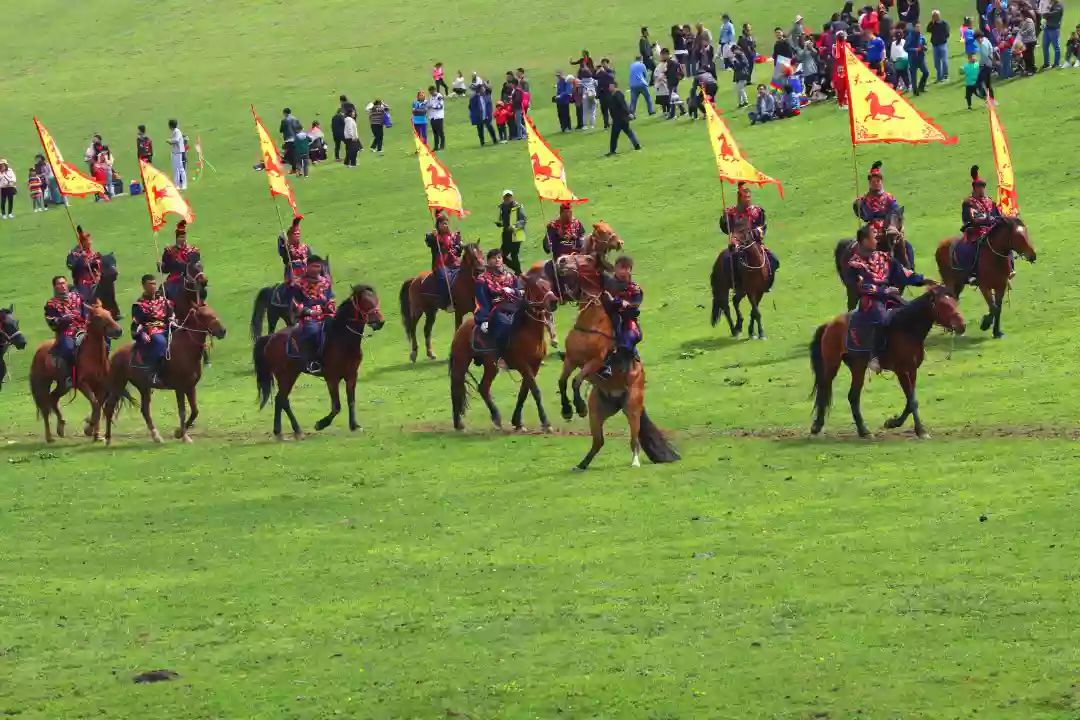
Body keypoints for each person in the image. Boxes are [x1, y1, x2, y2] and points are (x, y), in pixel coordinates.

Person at [845, 224, 927, 372]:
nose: (877, 238)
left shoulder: (884, 257)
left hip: (889, 296)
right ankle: (874, 356)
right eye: (873, 236)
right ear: (864, 241)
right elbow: (861, 287)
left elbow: (903, 273)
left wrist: (923, 280)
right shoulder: (854, 264)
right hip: (871, 300)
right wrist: (885, 291)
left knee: (909, 312)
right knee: (882, 318)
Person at [719, 183, 780, 290]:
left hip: (755, 244)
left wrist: (754, 233)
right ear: (739, 195)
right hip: (739, 245)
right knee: (727, 262)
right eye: (745, 193)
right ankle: (735, 285)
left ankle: (767, 283)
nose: (747, 195)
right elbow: (726, 229)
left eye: (748, 193)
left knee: (774, 260)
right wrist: (724, 218)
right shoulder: (732, 212)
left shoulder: (757, 211)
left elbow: (763, 227)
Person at [597, 256, 643, 378]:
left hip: (626, 318)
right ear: (615, 269)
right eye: (620, 268)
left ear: (630, 270)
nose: (623, 271)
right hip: (606, 314)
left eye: (626, 268)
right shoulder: (607, 281)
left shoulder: (634, 288)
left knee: (629, 335)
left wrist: (617, 301)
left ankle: (625, 358)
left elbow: (635, 305)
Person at [288, 255, 335, 374]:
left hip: (326, 314)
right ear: (307, 267)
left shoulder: (326, 282)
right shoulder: (298, 284)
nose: (317, 269)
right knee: (312, 331)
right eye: (314, 266)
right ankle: (313, 361)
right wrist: (310, 311)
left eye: (319, 266)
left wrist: (329, 306)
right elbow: (295, 304)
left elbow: (330, 298)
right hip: (308, 316)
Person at [474, 248, 524, 359]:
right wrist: (484, 320)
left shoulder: (511, 277)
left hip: (515, 308)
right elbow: (481, 301)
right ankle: (501, 356)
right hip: (496, 311)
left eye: (499, 257)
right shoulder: (482, 280)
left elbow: (522, 291)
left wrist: (512, 291)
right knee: (504, 324)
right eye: (493, 258)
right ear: (488, 262)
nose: (496, 260)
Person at [960, 165, 1004, 283]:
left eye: (983, 187)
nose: (982, 189)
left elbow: (997, 215)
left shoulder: (989, 201)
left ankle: (1008, 268)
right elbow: (974, 219)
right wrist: (989, 219)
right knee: (972, 248)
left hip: (991, 230)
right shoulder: (969, 202)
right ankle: (971, 273)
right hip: (975, 231)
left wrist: (1002, 219)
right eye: (980, 187)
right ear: (974, 188)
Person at [44, 275, 88, 385]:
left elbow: (85, 312)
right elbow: (51, 322)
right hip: (66, 333)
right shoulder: (51, 304)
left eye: (63, 283)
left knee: (103, 342)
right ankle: (70, 377)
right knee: (69, 349)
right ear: (55, 287)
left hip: (83, 329)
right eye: (59, 284)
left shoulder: (77, 297)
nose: (62, 286)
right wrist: (63, 320)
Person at [130, 274, 173, 386]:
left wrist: (172, 318)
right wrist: (142, 334)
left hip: (166, 327)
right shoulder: (139, 305)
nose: (153, 286)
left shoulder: (163, 301)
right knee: (160, 342)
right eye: (150, 284)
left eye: (154, 284)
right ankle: (153, 373)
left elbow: (171, 315)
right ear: (144, 286)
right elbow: (136, 324)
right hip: (151, 329)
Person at [853, 162, 902, 245]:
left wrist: (892, 225)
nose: (876, 183)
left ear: (881, 181)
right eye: (873, 181)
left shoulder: (888, 197)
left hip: (887, 227)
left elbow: (896, 212)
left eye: (878, 181)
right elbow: (865, 216)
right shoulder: (865, 199)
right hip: (871, 230)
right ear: (869, 183)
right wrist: (857, 205)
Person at [543, 202, 586, 294]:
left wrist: (576, 238)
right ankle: (563, 291)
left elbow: (582, 236)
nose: (568, 215)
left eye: (570, 213)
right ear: (561, 213)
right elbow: (547, 241)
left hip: (575, 254)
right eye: (566, 213)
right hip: (560, 255)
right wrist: (548, 245)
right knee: (562, 268)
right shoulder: (553, 226)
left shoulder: (577, 223)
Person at [425, 213, 464, 307]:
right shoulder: (434, 236)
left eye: (446, 223)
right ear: (438, 225)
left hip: (454, 262)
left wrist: (460, 246)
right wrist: (433, 236)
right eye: (442, 223)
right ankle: (444, 301)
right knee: (444, 279)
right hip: (440, 264)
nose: (444, 225)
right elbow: (429, 242)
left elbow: (458, 252)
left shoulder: (454, 236)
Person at [159, 220, 199, 301]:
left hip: (189, 278)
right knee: (165, 291)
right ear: (176, 238)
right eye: (181, 237)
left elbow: (196, 266)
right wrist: (160, 266)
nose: (183, 239)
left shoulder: (193, 251)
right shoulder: (169, 251)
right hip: (175, 278)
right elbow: (166, 269)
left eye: (184, 237)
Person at [66, 226, 102, 303]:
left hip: (95, 283)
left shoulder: (95, 254)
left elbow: (99, 265)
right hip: (82, 284)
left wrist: (92, 263)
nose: (90, 242)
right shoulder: (74, 253)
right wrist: (81, 259)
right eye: (88, 240)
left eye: (90, 240)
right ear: (83, 242)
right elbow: (70, 265)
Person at [605, 80, 640, 155]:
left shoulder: (618, 94)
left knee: (614, 136)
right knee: (628, 132)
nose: (609, 87)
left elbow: (623, 105)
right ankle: (636, 145)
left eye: (610, 86)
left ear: (614, 86)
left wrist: (629, 113)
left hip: (620, 118)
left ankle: (612, 151)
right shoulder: (614, 94)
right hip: (619, 118)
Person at [495, 190, 527, 273]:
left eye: (509, 196)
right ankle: (518, 271)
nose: (507, 198)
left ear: (512, 197)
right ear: (503, 197)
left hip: (517, 234)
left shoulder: (518, 206)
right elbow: (502, 220)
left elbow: (523, 220)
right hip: (506, 235)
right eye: (506, 196)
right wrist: (500, 223)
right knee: (501, 255)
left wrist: (515, 226)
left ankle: (518, 273)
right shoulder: (501, 207)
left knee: (514, 255)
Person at [278, 215, 313, 284]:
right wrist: (283, 238)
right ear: (290, 236)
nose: (297, 235)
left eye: (298, 233)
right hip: (292, 278)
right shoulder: (287, 249)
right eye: (295, 234)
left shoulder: (305, 247)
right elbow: (281, 251)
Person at [906, 22, 930, 94]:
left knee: (926, 72)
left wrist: (925, 47)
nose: (918, 28)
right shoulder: (909, 37)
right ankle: (915, 91)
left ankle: (921, 87)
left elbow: (925, 46)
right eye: (917, 27)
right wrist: (915, 49)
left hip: (921, 58)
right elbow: (906, 48)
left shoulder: (922, 37)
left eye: (919, 27)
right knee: (914, 75)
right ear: (914, 28)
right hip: (912, 58)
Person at [928, 9, 951, 81]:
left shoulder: (944, 23)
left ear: (939, 16)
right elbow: (928, 30)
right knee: (937, 62)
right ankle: (939, 76)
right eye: (933, 16)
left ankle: (945, 76)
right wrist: (931, 22)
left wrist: (943, 38)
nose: (935, 17)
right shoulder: (932, 24)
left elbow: (947, 33)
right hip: (935, 45)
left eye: (936, 16)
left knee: (944, 61)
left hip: (942, 44)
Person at [1042, 0, 1064, 68]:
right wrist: (1045, 14)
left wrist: (1046, 14)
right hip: (1047, 28)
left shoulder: (1059, 5)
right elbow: (1044, 15)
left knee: (1056, 47)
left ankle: (1056, 63)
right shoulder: (1050, 4)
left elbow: (1055, 13)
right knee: (1045, 46)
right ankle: (1046, 63)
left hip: (1054, 29)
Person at [279, 108, 301, 174]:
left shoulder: (284, 120)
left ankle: (297, 170)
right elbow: (300, 128)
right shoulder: (296, 119)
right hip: (296, 139)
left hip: (289, 139)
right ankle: (295, 169)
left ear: (285, 113)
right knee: (294, 154)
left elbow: (281, 130)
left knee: (291, 156)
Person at [976, 31, 996, 103]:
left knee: (979, 82)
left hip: (986, 65)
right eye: (977, 40)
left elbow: (986, 56)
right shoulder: (985, 39)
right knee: (987, 83)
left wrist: (980, 64)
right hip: (987, 64)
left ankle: (985, 96)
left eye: (979, 39)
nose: (978, 41)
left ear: (981, 37)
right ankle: (991, 98)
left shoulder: (983, 44)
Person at [595, 59, 615, 128]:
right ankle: (606, 124)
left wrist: (603, 72)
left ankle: (614, 121)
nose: (603, 65)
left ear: (607, 64)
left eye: (604, 63)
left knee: (611, 109)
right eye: (602, 63)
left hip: (608, 93)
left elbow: (611, 78)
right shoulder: (599, 73)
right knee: (604, 110)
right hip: (602, 94)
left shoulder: (610, 71)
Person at [167, 119, 187, 190]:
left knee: (180, 169)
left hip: (178, 153)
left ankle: (183, 184)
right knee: (176, 169)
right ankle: (177, 185)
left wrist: (169, 141)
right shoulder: (175, 131)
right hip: (175, 152)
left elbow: (176, 140)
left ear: (170, 126)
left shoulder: (177, 131)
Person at [427, 86, 446, 151]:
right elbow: (428, 105)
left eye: (432, 92)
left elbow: (440, 106)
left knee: (440, 131)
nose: (431, 93)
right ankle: (436, 146)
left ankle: (442, 145)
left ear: (435, 90)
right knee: (435, 133)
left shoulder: (439, 96)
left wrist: (432, 106)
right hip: (432, 117)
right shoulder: (431, 98)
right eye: (430, 92)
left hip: (438, 116)